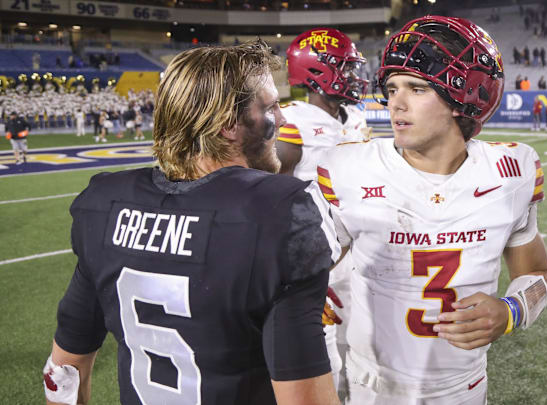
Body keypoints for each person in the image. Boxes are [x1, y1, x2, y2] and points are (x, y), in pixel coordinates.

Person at [42, 42, 342, 405]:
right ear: (228, 124)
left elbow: (64, 369)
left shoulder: (106, 206)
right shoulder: (276, 212)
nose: (282, 119)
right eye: (270, 107)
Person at [318, 16, 547, 404]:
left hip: (463, 389)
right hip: (371, 387)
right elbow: (295, 268)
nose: (397, 103)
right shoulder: (350, 170)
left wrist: (510, 310)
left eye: (417, 88)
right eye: (392, 88)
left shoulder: (511, 173)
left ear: (466, 96)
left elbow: (537, 273)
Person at [277, 27, 370, 395]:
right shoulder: (292, 123)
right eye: (345, 69)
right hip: (314, 258)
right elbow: (269, 197)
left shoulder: (355, 118)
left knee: (361, 352)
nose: (352, 77)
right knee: (324, 364)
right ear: (320, 72)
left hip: (356, 252)